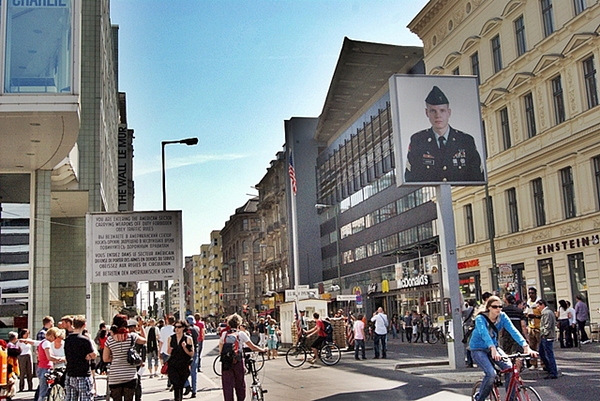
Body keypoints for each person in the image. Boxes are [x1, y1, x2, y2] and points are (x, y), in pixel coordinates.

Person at [404, 85, 484, 183]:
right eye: (433, 111)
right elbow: (411, 177)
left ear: (449, 112)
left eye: (442, 110)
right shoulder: (418, 140)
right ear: (426, 113)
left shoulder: (465, 140)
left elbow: (477, 176)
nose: (438, 115)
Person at [469, 296, 536, 401]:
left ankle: (511, 398)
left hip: (494, 348)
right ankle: (480, 398)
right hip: (478, 349)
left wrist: (526, 346)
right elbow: (484, 334)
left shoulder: (503, 316)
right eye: (495, 307)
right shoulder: (480, 318)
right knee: (491, 374)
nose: (498, 309)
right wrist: (492, 348)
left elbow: (513, 331)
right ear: (489, 308)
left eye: (500, 306)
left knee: (510, 368)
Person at [219, 314, 266, 401]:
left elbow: (220, 350)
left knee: (227, 385)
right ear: (239, 324)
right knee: (240, 383)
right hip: (238, 361)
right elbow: (252, 347)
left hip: (226, 363)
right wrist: (262, 350)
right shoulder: (241, 334)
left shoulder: (224, 334)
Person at [103, 314, 147, 401]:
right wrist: (141, 326)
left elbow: (105, 358)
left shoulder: (109, 340)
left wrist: (116, 357)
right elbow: (144, 340)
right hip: (130, 375)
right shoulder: (132, 336)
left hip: (115, 376)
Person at [64, 316, 97, 401]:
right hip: (83, 373)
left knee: (70, 398)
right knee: (85, 398)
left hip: (70, 373)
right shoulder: (85, 340)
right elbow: (94, 354)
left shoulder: (67, 340)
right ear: (84, 325)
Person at [167, 320, 194, 401]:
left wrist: (185, 348)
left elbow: (191, 353)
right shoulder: (171, 338)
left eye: (179, 327)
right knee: (176, 384)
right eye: (175, 327)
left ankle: (179, 399)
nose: (176, 329)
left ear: (183, 328)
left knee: (180, 385)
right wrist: (169, 350)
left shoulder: (188, 339)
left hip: (183, 365)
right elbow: (168, 352)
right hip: (173, 365)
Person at [37, 327, 67, 401]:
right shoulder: (47, 343)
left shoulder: (43, 342)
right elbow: (49, 357)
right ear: (51, 335)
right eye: (55, 337)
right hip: (45, 368)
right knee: (44, 392)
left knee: (44, 390)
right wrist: (59, 359)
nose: (55, 339)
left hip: (43, 367)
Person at [537, 299, 559, 379]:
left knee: (549, 354)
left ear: (542, 305)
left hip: (547, 336)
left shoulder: (547, 313)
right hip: (546, 336)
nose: (538, 308)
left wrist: (543, 334)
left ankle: (553, 371)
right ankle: (549, 368)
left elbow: (547, 325)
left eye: (538, 306)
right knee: (542, 352)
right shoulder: (547, 312)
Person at [183, 315, 199, 398]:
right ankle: (194, 391)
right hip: (195, 351)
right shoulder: (197, 329)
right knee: (194, 372)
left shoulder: (186, 330)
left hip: (187, 352)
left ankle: (187, 385)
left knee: (183, 370)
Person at [525, 287, 541, 368]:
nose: (531, 295)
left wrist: (535, 316)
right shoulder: (528, 303)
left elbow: (543, 315)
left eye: (532, 293)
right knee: (532, 346)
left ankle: (543, 363)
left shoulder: (539, 302)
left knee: (541, 347)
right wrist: (527, 315)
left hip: (539, 327)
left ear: (535, 293)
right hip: (531, 327)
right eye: (529, 293)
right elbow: (526, 312)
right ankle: (534, 364)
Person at [158, 316, 175, 386]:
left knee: (167, 366)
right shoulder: (175, 329)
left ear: (167, 321)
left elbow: (161, 341)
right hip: (173, 350)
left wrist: (159, 351)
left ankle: (169, 381)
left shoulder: (163, 329)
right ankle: (171, 382)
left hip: (164, 350)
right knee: (173, 367)